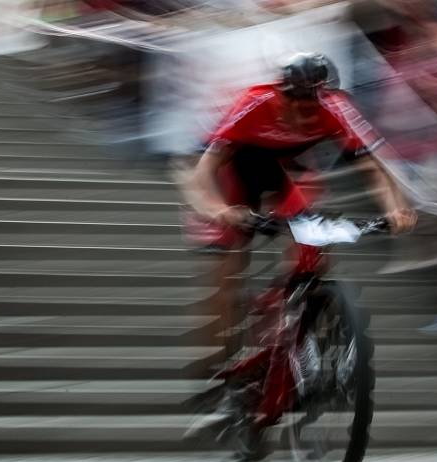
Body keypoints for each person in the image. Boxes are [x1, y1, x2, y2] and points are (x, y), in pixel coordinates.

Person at [178, 52, 417, 353]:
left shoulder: (337, 107)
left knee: (315, 246)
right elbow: (203, 171)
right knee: (229, 267)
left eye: (311, 107)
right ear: (280, 94)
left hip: (286, 172)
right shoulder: (254, 102)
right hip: (235, 173)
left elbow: (373, 167)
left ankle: (290, 311)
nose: (303, 115)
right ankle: (220, 356)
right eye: (295, 104)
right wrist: (220, 211)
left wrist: (394, 208)